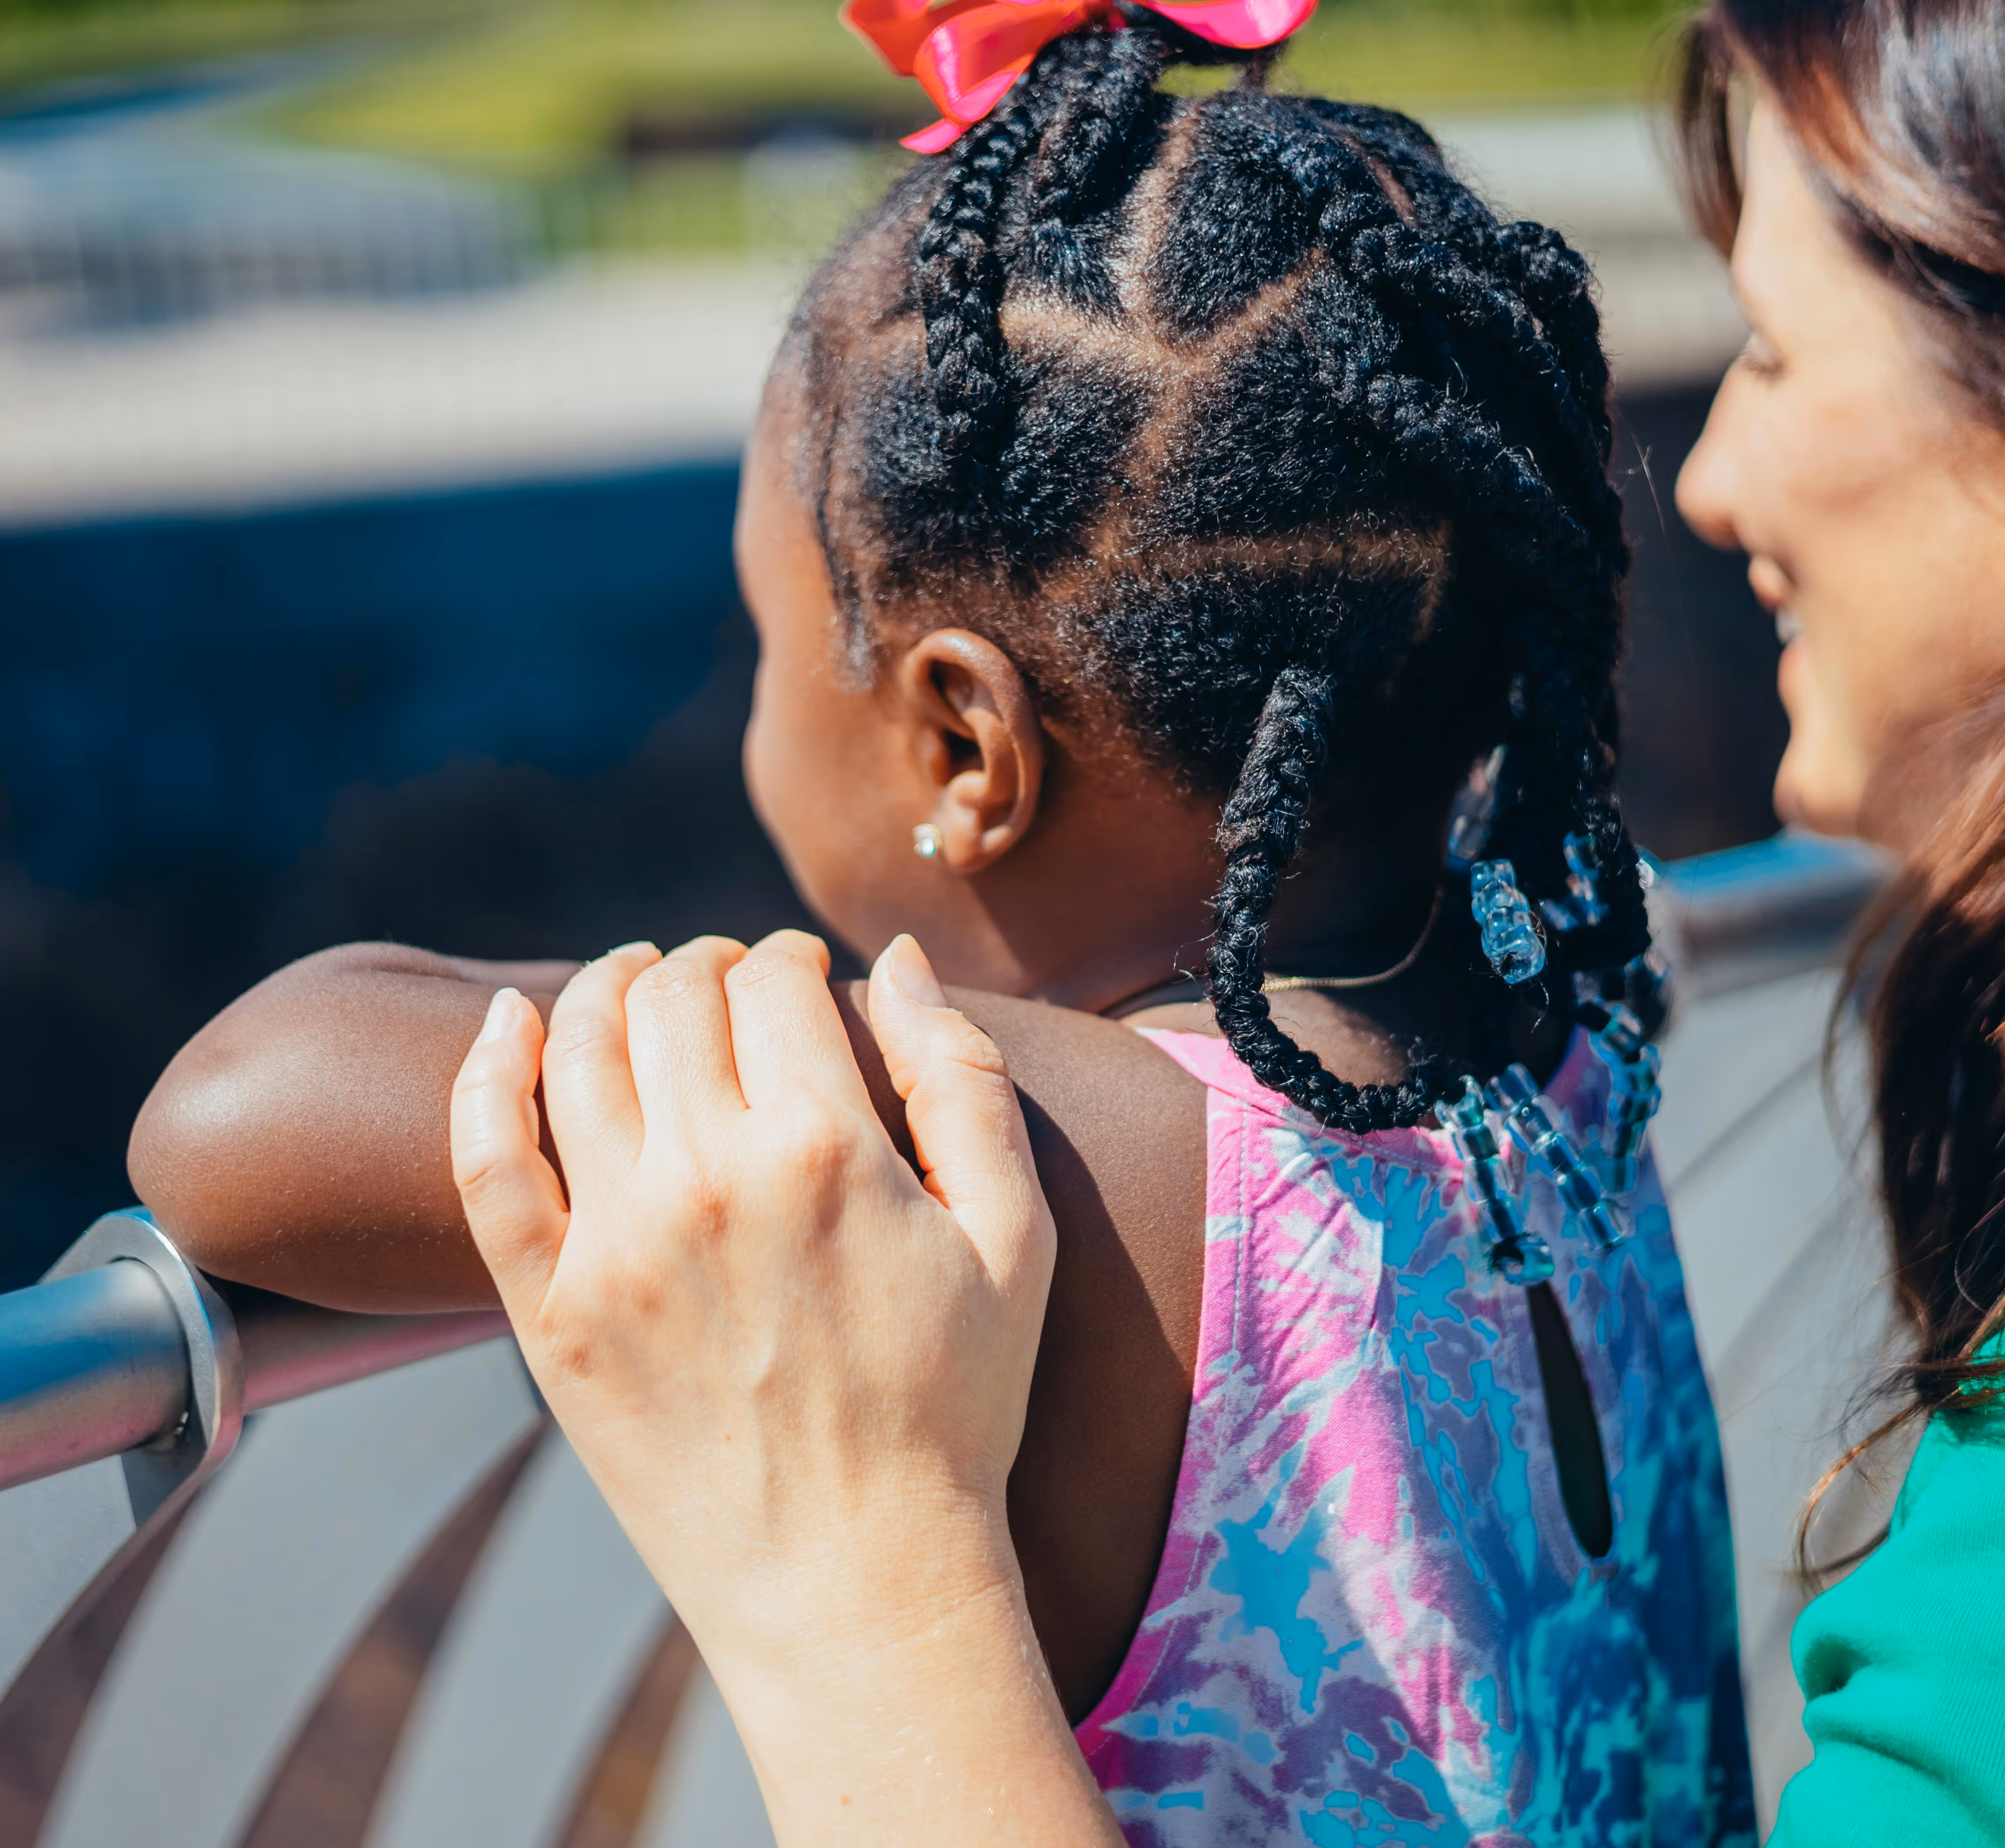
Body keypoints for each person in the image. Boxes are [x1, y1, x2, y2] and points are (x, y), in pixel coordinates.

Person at [429, 0, 2005, 1839]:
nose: (1706, 471)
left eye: (1763, 346)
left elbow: (240, 1122)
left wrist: (851, 1580)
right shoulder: (1553, 1040)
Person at [127, 8, 1755, 1842]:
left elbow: (236, 1116)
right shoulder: (1556, 1007)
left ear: (963, 742)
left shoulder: (1059, 1163)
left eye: (768, 651)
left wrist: (808, 1016)